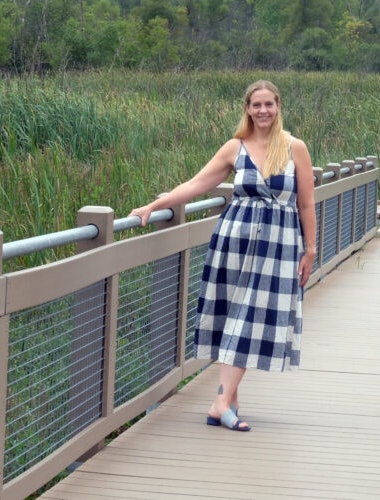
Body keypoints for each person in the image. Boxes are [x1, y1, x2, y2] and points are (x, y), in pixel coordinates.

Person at [130, 80, 317, 432]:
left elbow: (306, 203)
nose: (263, 111)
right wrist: (154, 205)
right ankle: (227, 401)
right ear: (247, 108)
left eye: (269, 104)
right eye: (256, 105)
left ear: (278, 107)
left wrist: (310, 249)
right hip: (234, 240)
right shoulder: (235, 147)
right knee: (234, 317)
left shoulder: (295, 148)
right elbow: (196, 185)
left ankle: (220, 401)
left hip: (279, 246)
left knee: (249, 320)